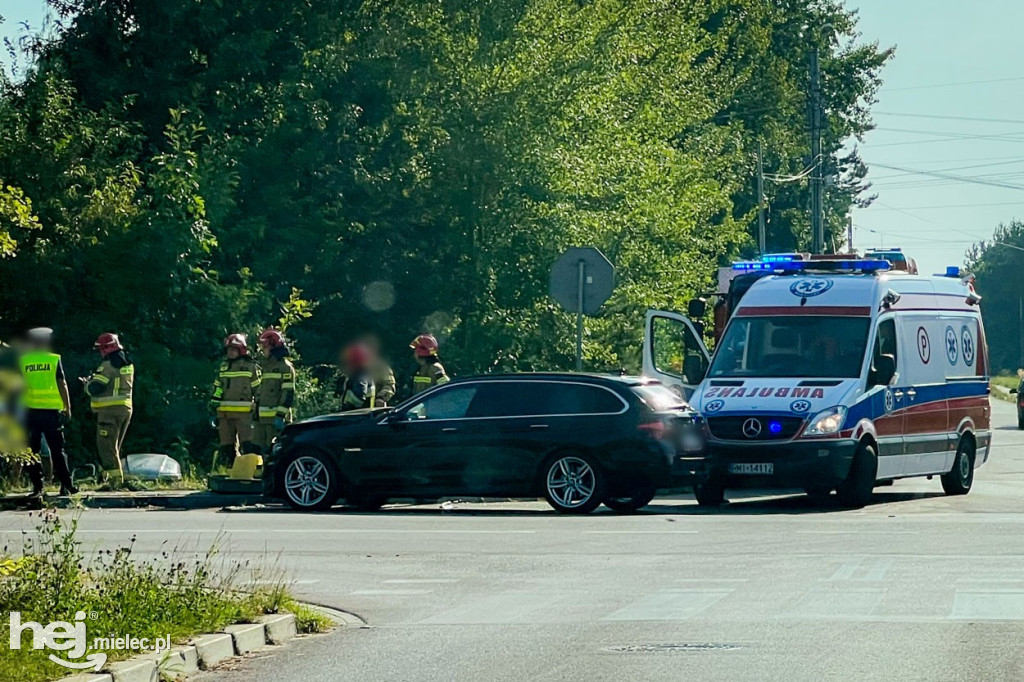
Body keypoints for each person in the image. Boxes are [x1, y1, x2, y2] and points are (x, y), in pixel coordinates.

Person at [18, 327, 76, 497]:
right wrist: (68, 407)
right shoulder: (53, 359)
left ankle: (37, 488)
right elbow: (61, 383)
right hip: (51, 413)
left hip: (30, 411)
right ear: (46, 342)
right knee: (57, 450)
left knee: (31, 451)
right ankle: (66, 486)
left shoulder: (24, 361)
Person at [84, 333, 134, 484]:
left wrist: (87, 383)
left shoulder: (106, 366)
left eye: (101, 349)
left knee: (106, 448)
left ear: (107, 348)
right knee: (114, 448)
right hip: (125, 410)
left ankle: (115, 483)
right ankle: (106, 479)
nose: (100, 352)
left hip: (108, 413)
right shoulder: (128, 364)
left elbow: (95, 388)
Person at [211, 333, 260, 467]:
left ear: (241, 350)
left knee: (248, 444)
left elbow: (257, 388)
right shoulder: (223, 366)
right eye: (228, 349)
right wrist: (215, 399)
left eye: (233, 349)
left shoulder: (250, 366)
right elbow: (218, 386)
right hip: (225, 414)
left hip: (244, 415)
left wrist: (258, 406)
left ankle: (249, 470)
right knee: (226, 445)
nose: (230, 352)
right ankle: (232, 470)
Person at [253, 329, 296, 453]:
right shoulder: (267, 367)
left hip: (275, 421)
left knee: (276, 453)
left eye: (265, 347)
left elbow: (288, 394)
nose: (263, 350)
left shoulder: (285, 368)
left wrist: (280, 416)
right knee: (261, 452)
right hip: (262, 420)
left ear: (273, 347)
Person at [337, 343, 376, 411]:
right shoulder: (365, 374)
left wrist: (347, 405)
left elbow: (358, 399)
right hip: (364, 415)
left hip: (356, 416)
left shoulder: (360, 376)